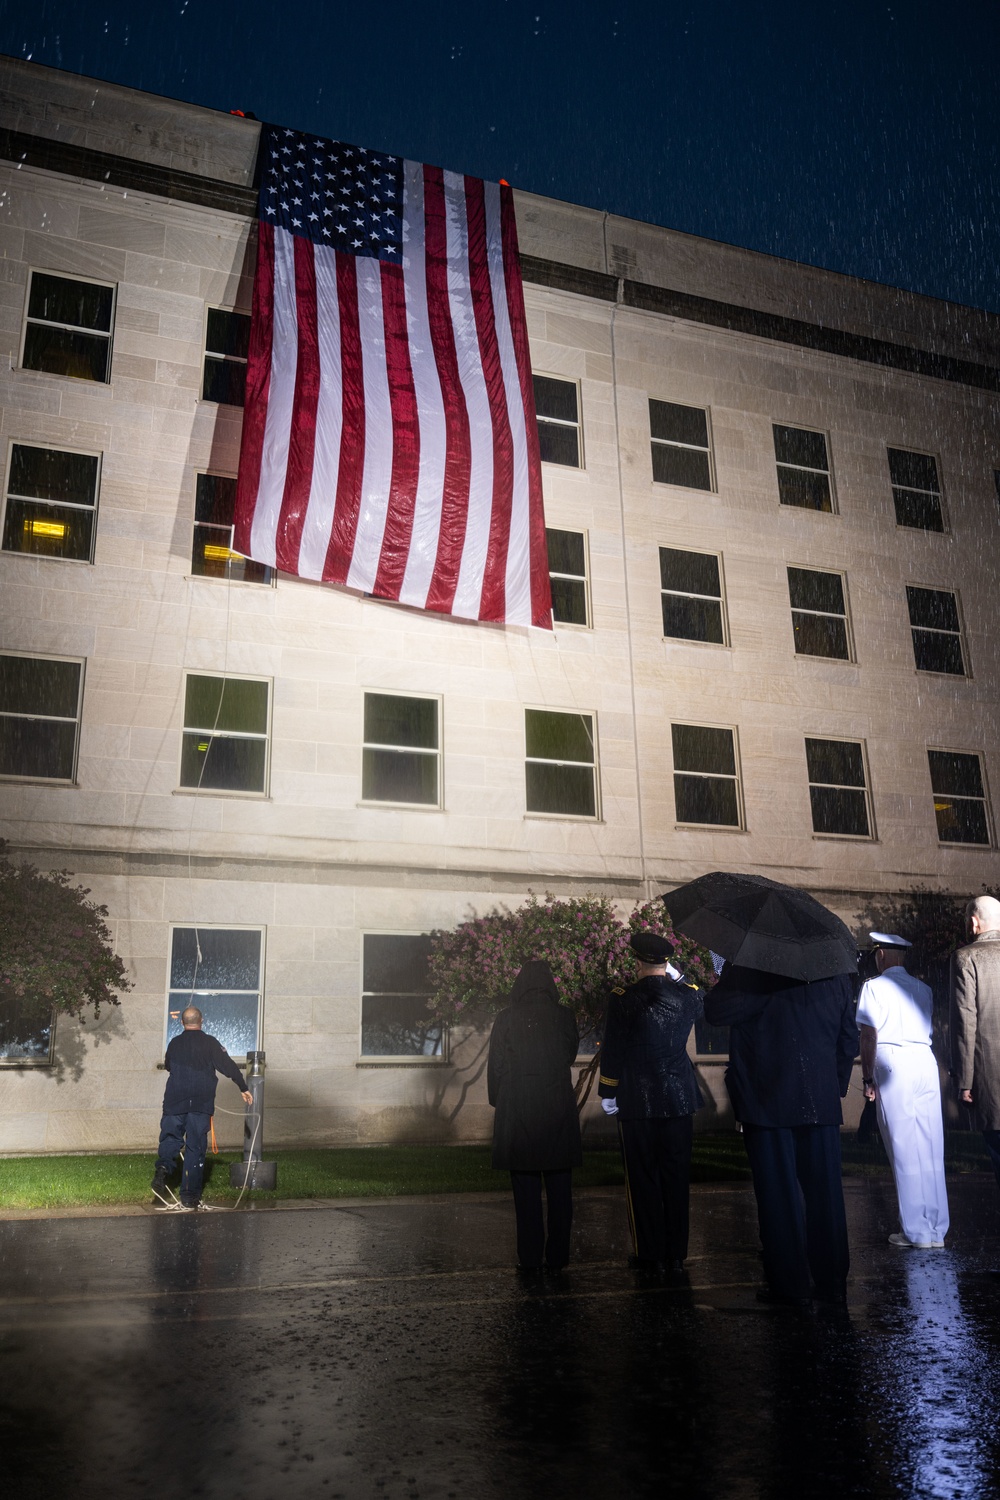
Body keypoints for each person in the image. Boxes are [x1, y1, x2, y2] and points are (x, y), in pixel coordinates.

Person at [704, 963, 858, 1307]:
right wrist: (833, 1083)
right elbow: (848, 1036)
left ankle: (790, 1284)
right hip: (819, 1099)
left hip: (768, 1099)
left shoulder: (752, 971)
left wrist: (730, 974)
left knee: (778, 1196)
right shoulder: (832, 975)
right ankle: (832, 1280)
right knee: (826, 1195)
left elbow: (715, 1011)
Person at [597, 932, 704, 1275]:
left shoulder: (623, 998)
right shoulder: (687, 997)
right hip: (678, 1098)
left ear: (638, 961)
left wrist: (607, 1091)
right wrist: (679, 974)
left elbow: (612, 1049)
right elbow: (702, 997)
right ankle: (675, 1253)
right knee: (675, 1177)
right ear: (666, 963)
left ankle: (649, 1251)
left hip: (636, 1098)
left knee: (642, 1178)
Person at [487, 961, 582, 1275]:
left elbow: (497, 1066)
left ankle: (529, 1258)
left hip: (518, 1109)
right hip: (556, 1108)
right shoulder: (564, 1016)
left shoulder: (506, 1019)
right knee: (559, 1191)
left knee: (525, 1192)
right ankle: (557, 1256)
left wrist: (499, 1100)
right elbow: (569, 1054)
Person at [858, 932, 948, 1248]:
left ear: (881, 955)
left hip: (893, 1061)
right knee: (930, 1144)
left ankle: (916, 1231)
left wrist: (868, 1078)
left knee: (903, 1146)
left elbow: (869, 1036)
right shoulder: (923, 988)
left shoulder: (873, 987)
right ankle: (936, 1227)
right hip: (925, 1059)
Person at [151, 1006, 253, 1210]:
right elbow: (228, 1065)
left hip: (174, 1101)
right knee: (195, 1148)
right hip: (200, 1104)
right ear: (201, 1021)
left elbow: (169, 1065)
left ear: (182, 1022)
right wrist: (243, 1087)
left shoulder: (174, 1043)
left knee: (170, 1139)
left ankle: (163, 1168)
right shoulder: (210, 1043)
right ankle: (189, 1197)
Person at [951, 894, 1000, 1192]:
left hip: (990, 1078)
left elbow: (965, 1021)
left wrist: (964, 1080)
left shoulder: (966, 958)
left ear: (973, 921)